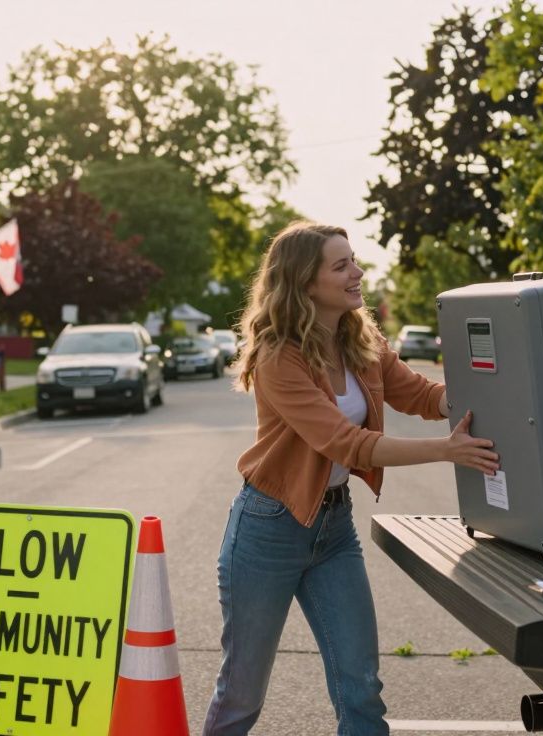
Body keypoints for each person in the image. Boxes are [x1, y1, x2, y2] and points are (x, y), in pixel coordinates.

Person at [202, 222, 500, 735]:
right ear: (304, 283)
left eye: (354, 260)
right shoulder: (279, 356)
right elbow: (346, 443)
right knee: (242, 694)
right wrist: (447, 451)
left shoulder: (360, 339)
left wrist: (497, 391)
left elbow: (423, 396)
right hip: (268, 529)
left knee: (360, 686)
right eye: (341, 265)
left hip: (333, 529)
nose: (358, 272)